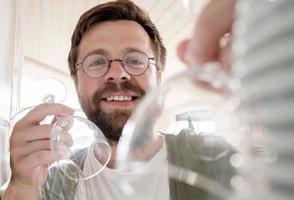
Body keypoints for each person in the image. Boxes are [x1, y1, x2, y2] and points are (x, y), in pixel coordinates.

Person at [1, 0, 236, 199]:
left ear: (159, 78)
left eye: (135, 60)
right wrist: (21, 188)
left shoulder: (217, 160)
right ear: (77, 82)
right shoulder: (50, 180)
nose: (117, 73)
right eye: (97, 62)